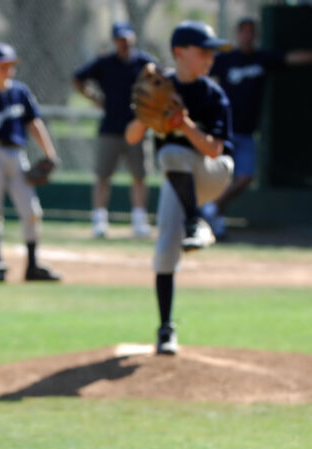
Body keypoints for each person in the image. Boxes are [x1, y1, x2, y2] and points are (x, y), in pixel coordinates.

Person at [126, 21, 233, 356]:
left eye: (212, 52)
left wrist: (182, 123)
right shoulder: (159, 86)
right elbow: (131, 138)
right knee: (164, 252)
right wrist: (149, 114)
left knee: (174, 151)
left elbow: (215, 150)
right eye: (203, 51)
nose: (210, 58)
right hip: (178, 180)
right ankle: (165, 329)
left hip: (212, 175)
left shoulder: (212, 94)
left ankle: (196, 222)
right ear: (179, 53)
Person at [203, 17, 312, 238]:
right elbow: (200, 72)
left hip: (247, 133)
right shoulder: (226, 60)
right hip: (222, 131)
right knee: (221, 178)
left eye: (251, 32)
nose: (247, 36)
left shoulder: (262, 58)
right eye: (243, 32)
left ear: (255, 35)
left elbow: (292, 58)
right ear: (238, 35)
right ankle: (216, 222)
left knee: (245, 178)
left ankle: (212, 209)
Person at [0, 42, 62, 283]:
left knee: (31, 210)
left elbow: (35, 124)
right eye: (2, 65)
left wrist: (49, 153)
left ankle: (32, 266)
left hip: (17, 153)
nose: (7, 70)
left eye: (10, 65)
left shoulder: (20, 92)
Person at [72, 22, 158, 239]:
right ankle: (99, 221)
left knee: (139, 176)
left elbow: (162, 83)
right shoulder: (105, 63)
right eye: (120, 40)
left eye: (127, 39)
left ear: (133, 39)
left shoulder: (144, 63)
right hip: (110, 128)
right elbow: (78, 78)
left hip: (137, 128)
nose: (124, 44)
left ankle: (139, 221)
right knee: (102, 176)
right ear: (114, 41)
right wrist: (94, 99)